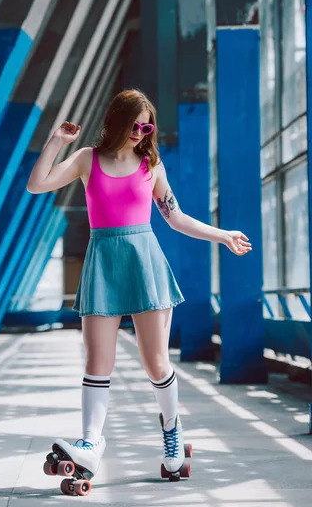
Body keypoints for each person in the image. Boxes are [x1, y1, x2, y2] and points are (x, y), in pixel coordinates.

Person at [27, 89, 251, 482]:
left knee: (156, 363)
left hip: (145, 263)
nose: (140, 132)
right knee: (97, 363)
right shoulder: (86, 159)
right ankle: (91, 443)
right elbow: (37, 184)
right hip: (103, 263)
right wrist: (56, 141)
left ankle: (172, 435)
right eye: (135, 124)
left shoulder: (152, 165)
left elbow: (177, 218)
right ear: (118, 121)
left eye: (146, 126)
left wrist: (222, 235)